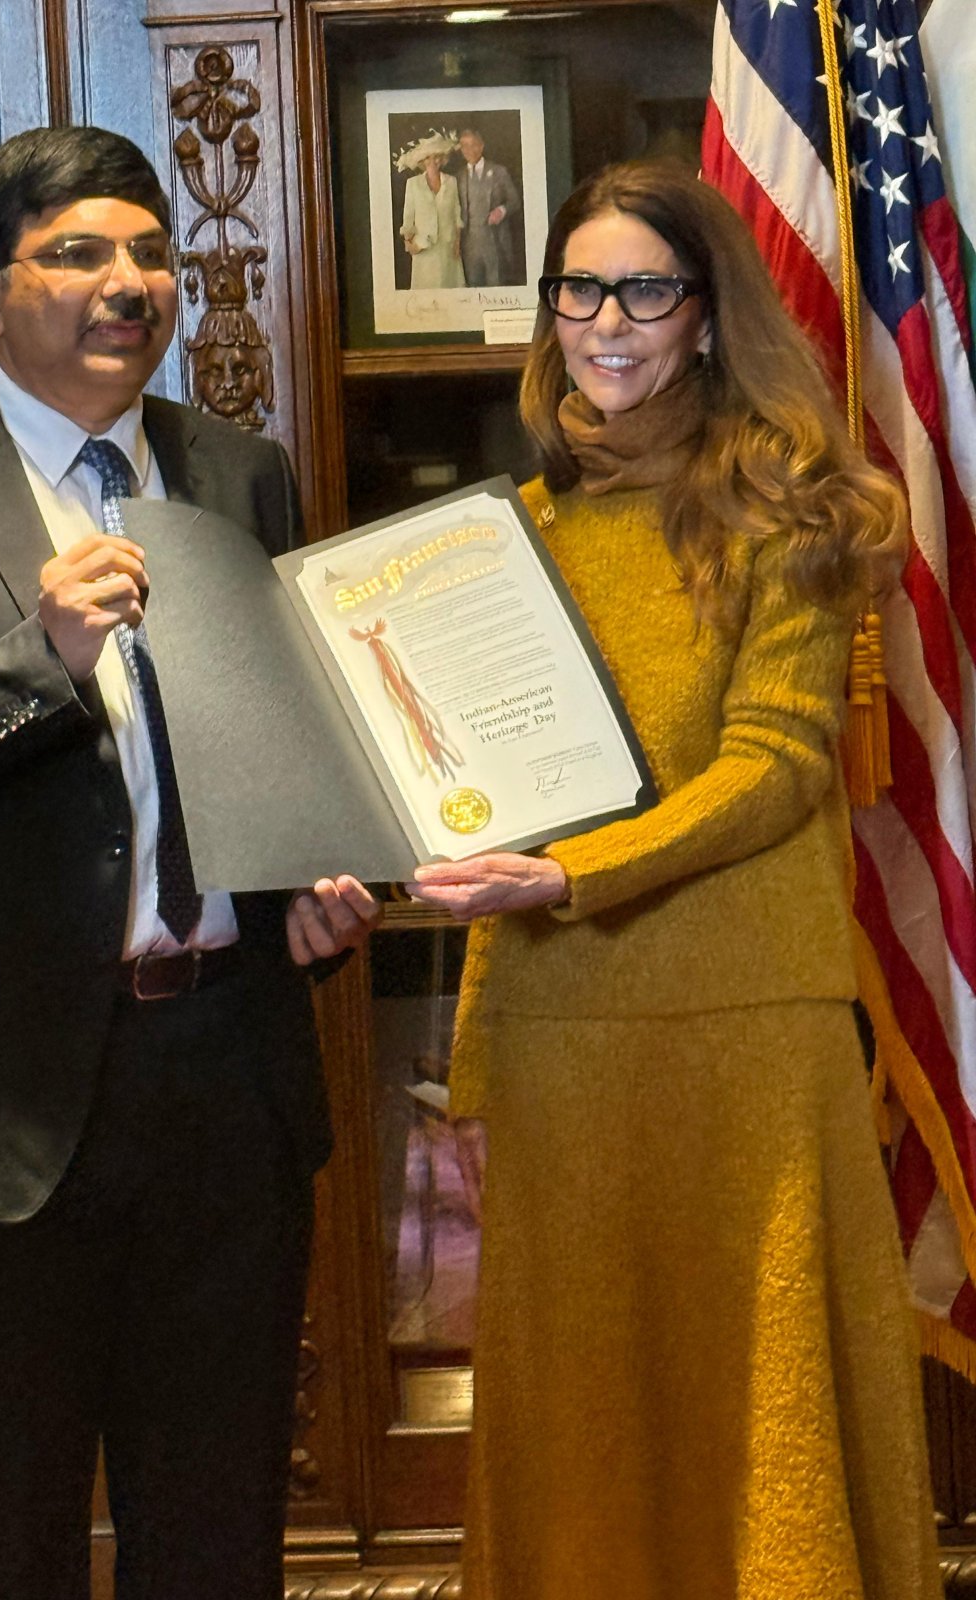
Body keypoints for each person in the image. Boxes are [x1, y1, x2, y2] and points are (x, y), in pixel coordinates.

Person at [0, 125, 380, 1600]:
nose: (130, 284)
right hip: (3, 1099)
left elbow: (279, 732)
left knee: (218, 1523)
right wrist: (35, 660)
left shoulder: (238, 471)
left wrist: (311, 881)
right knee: (16, 1526)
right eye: (78, 254)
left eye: (152, 253)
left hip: (228, 1075)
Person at [410, 160, 942, 1600]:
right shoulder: (504, 540)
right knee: (582, 1417)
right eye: (579, 289)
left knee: (762, 1424)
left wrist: (562, 877)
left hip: (744, 1031)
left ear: (709, 314)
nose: (607, 321)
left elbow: (777, 766)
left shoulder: (805, 514)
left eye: (645, 290)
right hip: (560, 1033)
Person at [397, 132, 464, 291]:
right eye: (428, 157)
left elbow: (457, 214)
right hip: (423, 248)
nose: (433, 161)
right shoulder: (413, 184)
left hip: (447, 249)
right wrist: (409, 244)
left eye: (436, 157)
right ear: (422, 161)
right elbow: (408, 218)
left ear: (442, 158)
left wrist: (457, 243)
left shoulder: (451, 181)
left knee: (450, 292)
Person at [457, 127, 520, 288]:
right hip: (469, 245)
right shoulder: (459, 177)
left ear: (481, 146)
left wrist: (501, 210)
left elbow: (515, 201)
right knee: (473, 289)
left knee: (496, 287)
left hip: (495, 242)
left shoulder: (499, 171)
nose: (469, 150)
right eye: (464, 146)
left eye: (473, 145)